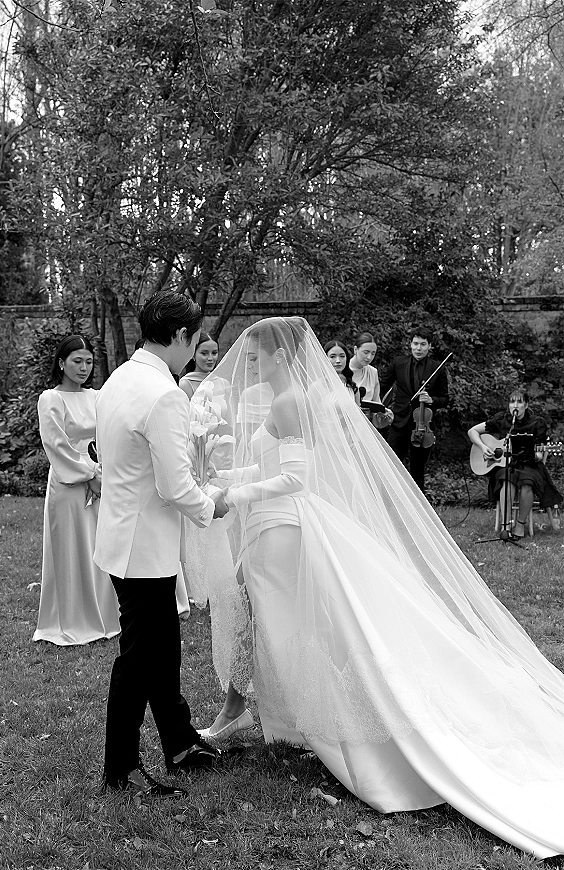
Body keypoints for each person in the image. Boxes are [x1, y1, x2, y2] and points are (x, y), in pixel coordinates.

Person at [196, 316, 564, 858]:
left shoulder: (288, 401)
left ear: (276, 357)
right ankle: (283, 716)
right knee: (280, 626)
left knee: (295, 628)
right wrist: (228, 478)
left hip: (284, 529)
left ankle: (334, 723)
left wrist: (236, 494)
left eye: (253, 356)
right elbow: (273, 462)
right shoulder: (289, 398)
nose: (247, 365)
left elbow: (295, 478)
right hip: (273, 523)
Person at [94, 290, 228, 798]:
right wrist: (211, 506)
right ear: (178, 337)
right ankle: (120, 767)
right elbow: (175, 486)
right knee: (139, 656)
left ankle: (179, 741)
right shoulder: (164, 393)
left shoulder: (119, 379)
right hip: (143, 545)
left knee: (162, 645)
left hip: (123, 536)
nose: (196, 348)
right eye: (194, 339)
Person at [34, 336, 120, 646]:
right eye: (76, 361)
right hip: (68, 482)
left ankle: (106, 614)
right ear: (61, 363)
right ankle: (73, 618)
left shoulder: (97, 396)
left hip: (100, 475)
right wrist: (87, 476)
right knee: (72, 549)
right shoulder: (50, 399)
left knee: (100, 546)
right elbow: (56, 445)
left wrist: (103, 472)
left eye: (88, 361)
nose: (83, 368)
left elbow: (110, 433)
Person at [468, 390, 562, 538]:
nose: (515, 405)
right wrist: (483, 447)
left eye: (519, 402)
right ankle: (506, 525)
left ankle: (519, 525)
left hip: (529, 464)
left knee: (527, 482)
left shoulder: (536, 423)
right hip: (505, 465)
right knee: (506, 480)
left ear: (526, 404)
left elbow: (538, 454)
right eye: (512, 402)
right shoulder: (501, 420)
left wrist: (537, 454)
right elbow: (472, 431)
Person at [380, 327, 448, 492]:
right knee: (392, 465)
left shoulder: (437, 368)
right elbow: (382, 386)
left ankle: (418, 510)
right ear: (410, 345)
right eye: (415, 343)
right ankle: (390, 504)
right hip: (399, 421)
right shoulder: (398, 363)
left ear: (429, 346)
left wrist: (431, 400)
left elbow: (445, 399)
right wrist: (380, 407)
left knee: (417, 470)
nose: (419, 348)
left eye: (423, 344)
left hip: (422, 426)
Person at [179, 332, 219, 399]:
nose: (210, 358)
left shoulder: (224, 383)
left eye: (214, 353)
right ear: (193, 355)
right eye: (204, 353)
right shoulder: (185, 385)